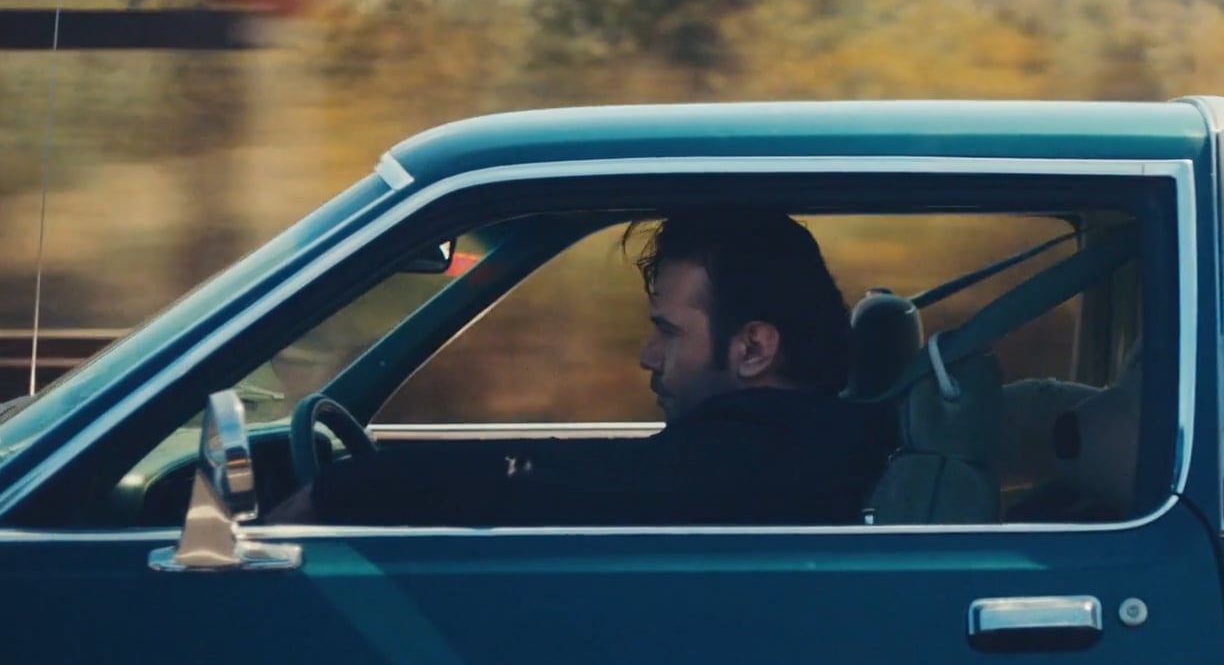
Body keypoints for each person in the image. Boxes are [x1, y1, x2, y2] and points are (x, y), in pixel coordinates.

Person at [266, 210, 893, 527]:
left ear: (753, 348)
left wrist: (340, 490)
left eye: (669, 332)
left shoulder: (753, 461)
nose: (648, 356)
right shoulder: (802, 445)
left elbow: (564, 478)